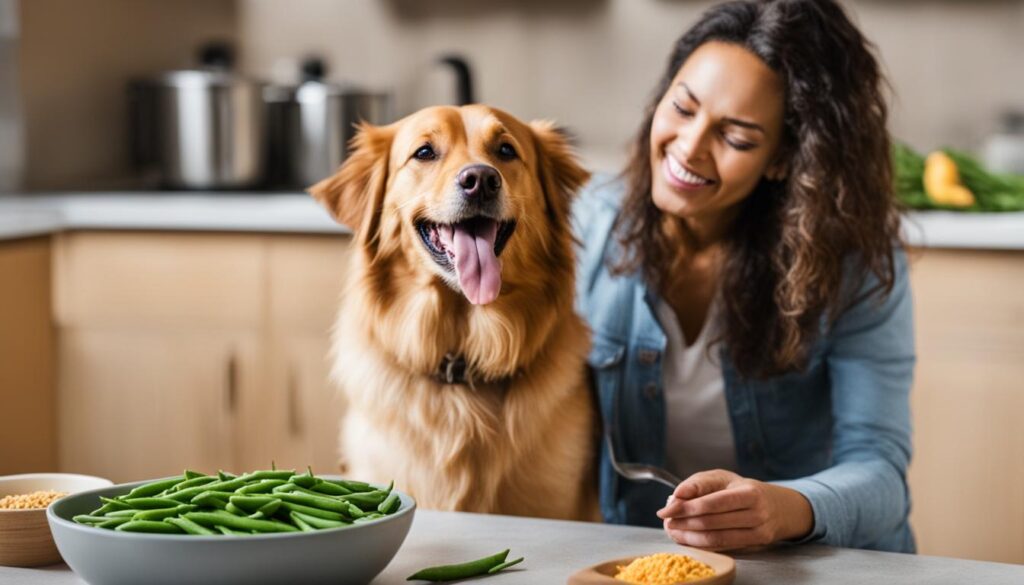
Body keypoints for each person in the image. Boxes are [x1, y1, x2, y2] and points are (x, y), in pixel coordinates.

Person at [573, 0, 915, 553]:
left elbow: (881, 474)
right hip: (652, 560)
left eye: (736, 139)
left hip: (819, 565)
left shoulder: (854, 263)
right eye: (682, 108)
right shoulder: (584, 225)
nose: (689, 147)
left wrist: (784, 509)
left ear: (783, 159)